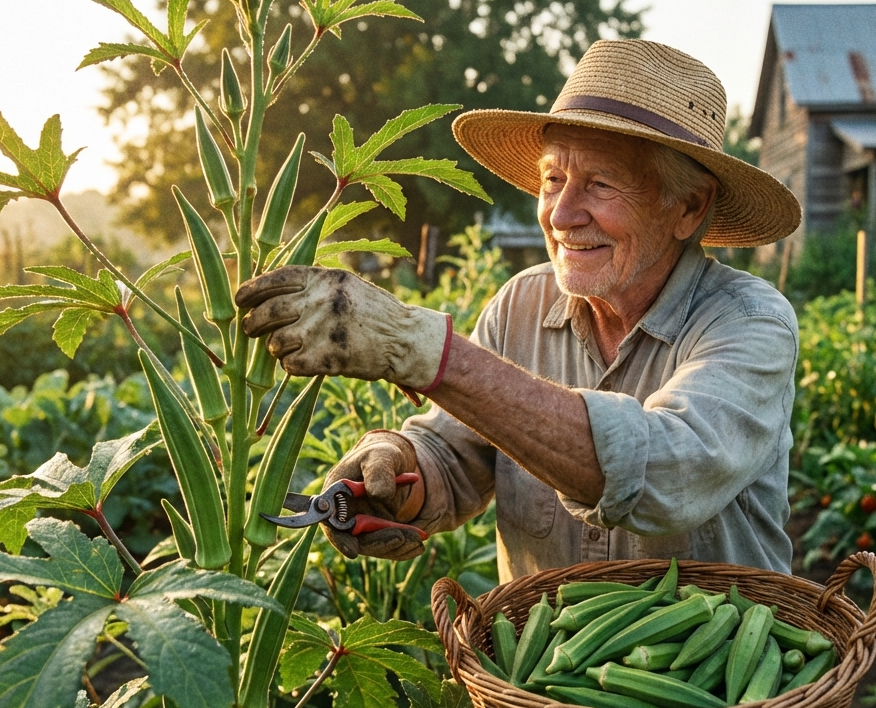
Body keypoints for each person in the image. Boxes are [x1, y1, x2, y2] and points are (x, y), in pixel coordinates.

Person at [235, 40, 802, 581]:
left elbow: (664, 473)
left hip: (723, 678)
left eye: (600, 184)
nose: (560, 215)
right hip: (541, 673)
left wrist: (420, 348)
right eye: (553, 180)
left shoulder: (749, 323)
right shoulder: (521, 304)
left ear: (688, 206)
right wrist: (398, 468)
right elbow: (456, 456)